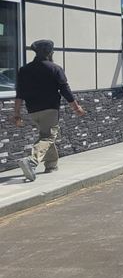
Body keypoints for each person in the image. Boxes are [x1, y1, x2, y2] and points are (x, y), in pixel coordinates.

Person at [10, 40, 86, 181]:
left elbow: (19, 93)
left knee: (46, 135)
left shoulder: (24, 70)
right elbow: (65, 90)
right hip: (50, 109)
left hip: (32, 110)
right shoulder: (55, 68)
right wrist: (76, 107)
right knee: (48, 137)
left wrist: (16, 113)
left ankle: (51, 165)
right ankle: (31, 161)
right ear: (50, 53)